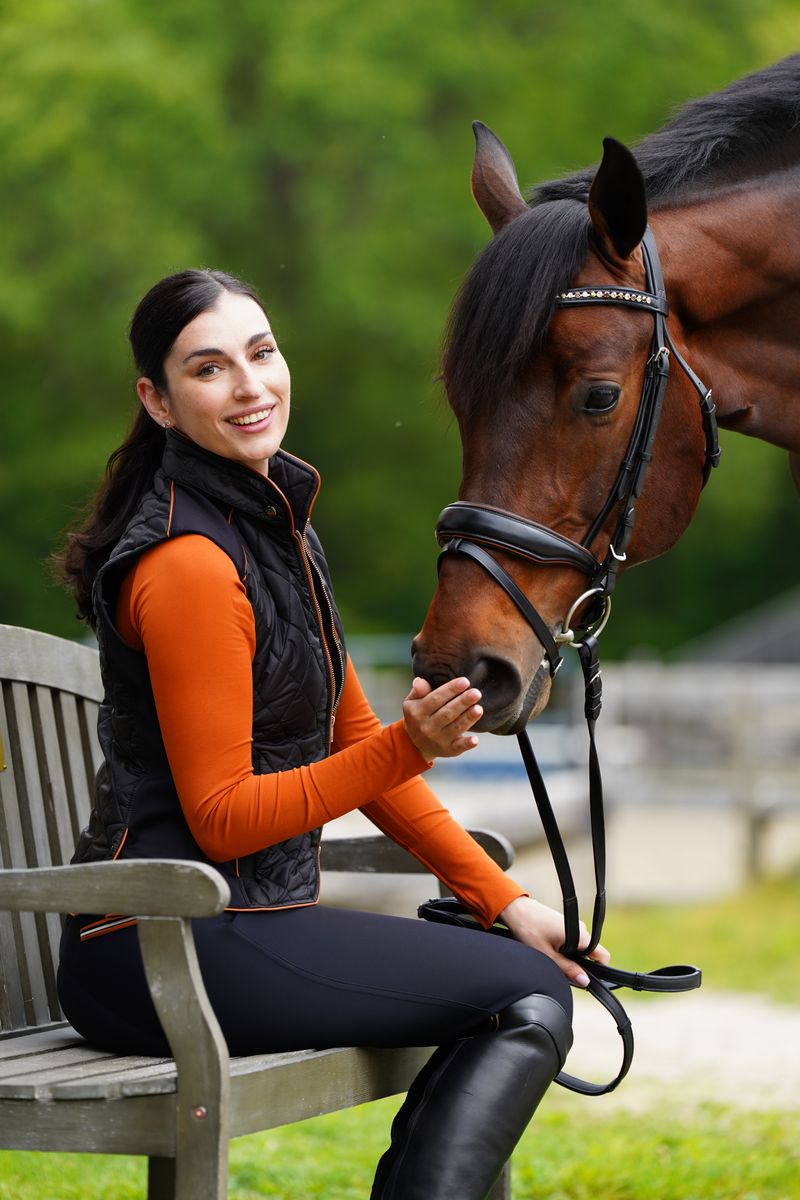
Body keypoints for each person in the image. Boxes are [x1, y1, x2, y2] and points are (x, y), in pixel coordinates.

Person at [56, 268, 609, 1199]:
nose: (250, 385)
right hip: (156, 943)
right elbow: (227, 819)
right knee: (525, 997)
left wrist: (505, 902)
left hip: (231, 926)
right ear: (156, 399)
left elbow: (358, 743)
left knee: (523, 971)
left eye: (262, 354)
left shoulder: (279, 534)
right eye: (209, 368)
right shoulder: (192, 564)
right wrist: (408, 746)